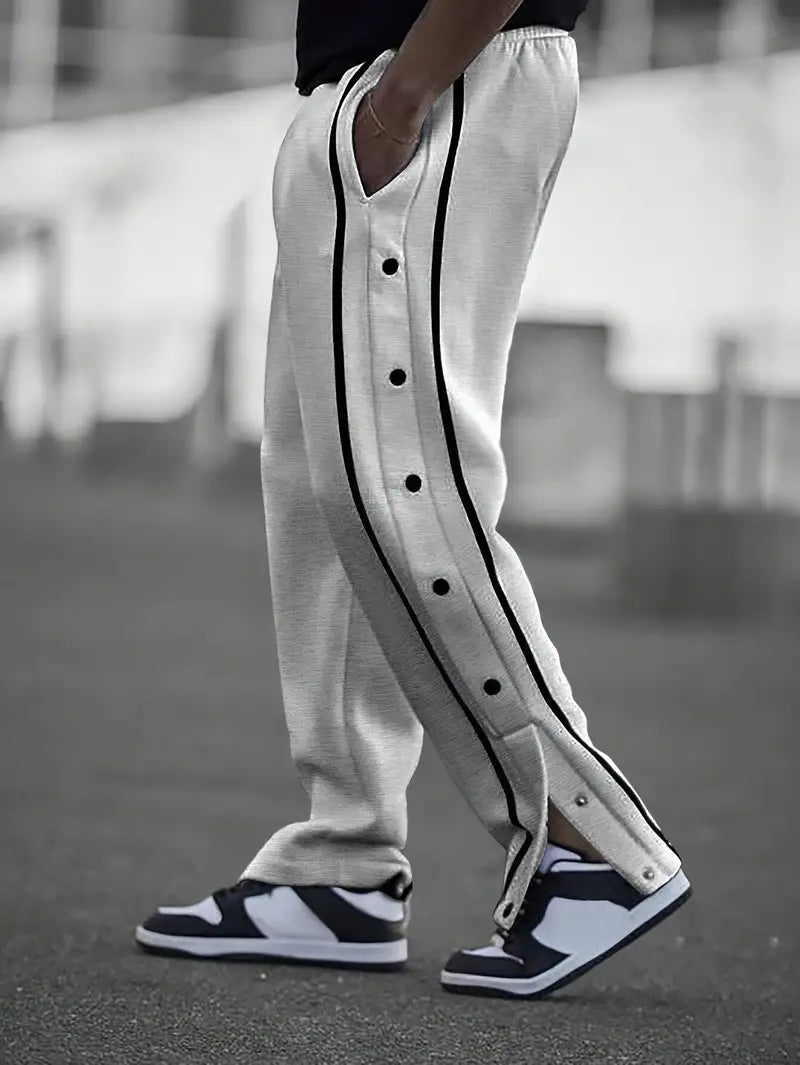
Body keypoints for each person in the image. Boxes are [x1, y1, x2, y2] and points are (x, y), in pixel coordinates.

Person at [135, 0, 691, 999]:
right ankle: (341, 867)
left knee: (401, 482)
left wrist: (402, 97)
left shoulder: (415, 94)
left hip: (438, 74)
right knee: (326, 491)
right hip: (398, 85)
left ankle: (589, 842)